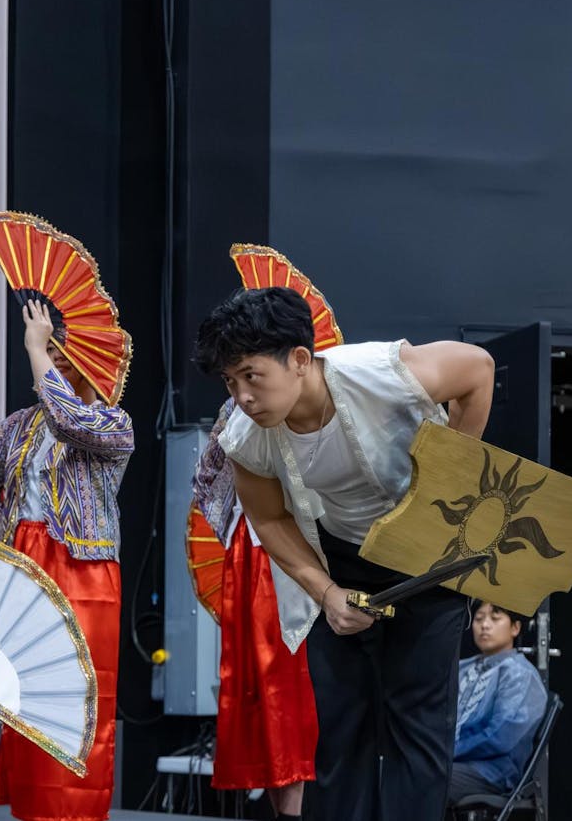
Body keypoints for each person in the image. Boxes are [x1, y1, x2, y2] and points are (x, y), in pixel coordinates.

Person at [192, 286, 495, 821]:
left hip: (425, 553)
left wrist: (451, 476)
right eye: (230, 381)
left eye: (252, 375)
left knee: (417, 726)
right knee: (341, 728)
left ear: (300, 360)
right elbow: (268, 518)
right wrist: (328, 594)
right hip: (339, 559)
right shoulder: (246, 437)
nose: (241, 396)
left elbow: (478, 368)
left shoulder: (381, 371)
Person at [0, 299, 134, 821]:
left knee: (79, 699)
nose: (56, 358)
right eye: (50, 348)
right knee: (27, 696)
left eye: (62, 349)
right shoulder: (17, 427)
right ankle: (34, 810)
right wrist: (9, 541)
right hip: (29, 568)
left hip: (85, 574)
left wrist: (35, 349)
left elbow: (66, 420)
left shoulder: (112, 422)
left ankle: (77, 812)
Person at [192, 398, 316, 821]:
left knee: (292, 683)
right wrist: (230, 520)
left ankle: (296, 809)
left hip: (293, 547)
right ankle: (283, 808)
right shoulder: (234, 406)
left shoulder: (319, 391)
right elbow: (206, 474)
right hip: (251, 548)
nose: (243, 388)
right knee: (258, 685)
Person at [449, 601, 547, 803]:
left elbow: (500, 736)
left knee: (425, 778)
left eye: (495, 618)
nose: (484, 625)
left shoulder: (519, 674)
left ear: (515, 627)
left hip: (490, 771)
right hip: (451, 761)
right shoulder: (461, 667)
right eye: (478, 618)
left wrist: (447, 752)